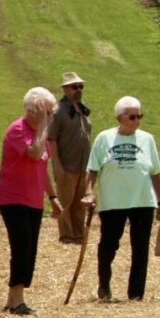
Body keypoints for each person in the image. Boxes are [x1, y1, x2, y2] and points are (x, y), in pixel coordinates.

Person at [81, 96, 160, 302]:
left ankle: (136, 294)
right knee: (108, 246)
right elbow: (92, 169)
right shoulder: (104, 138)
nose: (137, 120)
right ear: (120, 118)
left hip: (143, 201)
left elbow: (156, 172)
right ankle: (104, 285)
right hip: (113, 202)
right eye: (132, 116)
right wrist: (88, 192)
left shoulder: (147, 139)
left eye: (140, 116)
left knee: (140, 247)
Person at [0, 87, 62, 315]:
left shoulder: (41, 134)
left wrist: (52, 197)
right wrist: (43, 126)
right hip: (13, 198)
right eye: (48, 112)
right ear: (35, 111)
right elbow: (33, 153)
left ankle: (15, 298)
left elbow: (43, 168)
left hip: (33, 200)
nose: (51, 117)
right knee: (21, 246)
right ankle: (16, 301)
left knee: (30, 249)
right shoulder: (17, 130)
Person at [46, 71, 92, 245]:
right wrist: (57, 165)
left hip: (83, 164)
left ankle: (79, 235)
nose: (78, 89)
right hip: (66, 164)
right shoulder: (58, 111)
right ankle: (66, 236)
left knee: (80, 204)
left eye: (80, 86)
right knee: (65, 203)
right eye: (74, 86)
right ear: (65, 89)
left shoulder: (83, 109)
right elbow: (51, 139)